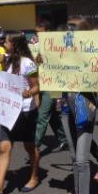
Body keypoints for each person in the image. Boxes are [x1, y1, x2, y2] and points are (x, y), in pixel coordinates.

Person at [0, 32, 41, 194]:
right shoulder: (6, 60)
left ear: (15, 44)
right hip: (8, 110)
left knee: (29, 147)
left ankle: (34, 176)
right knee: (4, 147)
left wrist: (29, 92)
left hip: (26, 112)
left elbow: (36, 86)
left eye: (6, 41)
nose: (3, 43)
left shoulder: (27, 63)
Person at [59, 17, 98, 194]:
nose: (68, 33)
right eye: (67, 30)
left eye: (72, 29)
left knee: (83, 160)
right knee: (75, 158)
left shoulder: (93, 53)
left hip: (84, 105)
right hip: (66, 107)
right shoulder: (61, 53)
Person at [33, 20, 67, 153]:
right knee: (52, 116)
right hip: (41, 83)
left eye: (39, 31)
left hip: (52, 85)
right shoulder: (36, 45)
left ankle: (34, 147)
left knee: (42, 116)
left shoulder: (55, 44)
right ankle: (64, 139)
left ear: (46, 31)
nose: (36, 34)